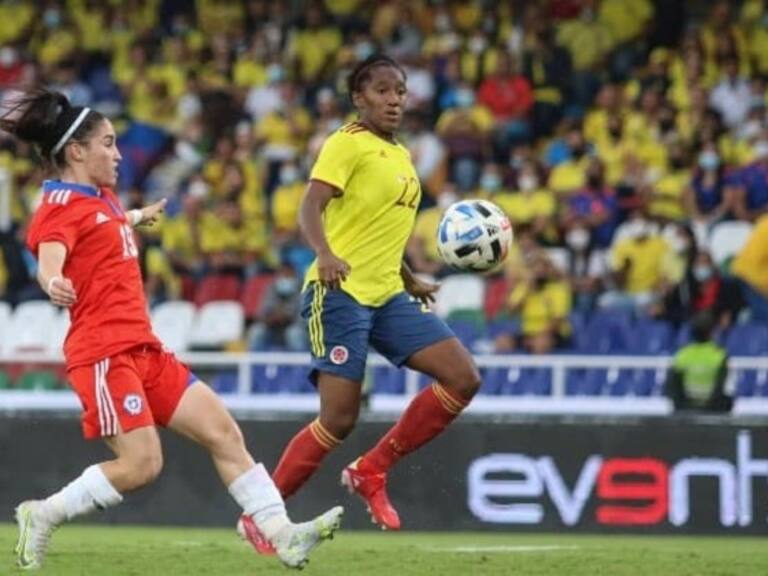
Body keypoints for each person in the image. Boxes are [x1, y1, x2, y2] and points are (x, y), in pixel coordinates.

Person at [2, 90, 342, 571]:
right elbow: (51, 258)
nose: (119, 154)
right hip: (104, 352)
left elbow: (106, 225)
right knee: (142, 465)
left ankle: (283, 535)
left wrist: (138, 217)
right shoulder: (59, 207)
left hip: (144, 347)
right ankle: (43, 514)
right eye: (108, 143)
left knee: (223, 432)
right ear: (76, 151)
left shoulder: (101, 197)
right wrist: (52, 282)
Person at [240, 54, 481, 551]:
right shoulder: (345, 143)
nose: (394, 99)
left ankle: (372, 469)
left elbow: (379, 232)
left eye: (400, 90)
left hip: (388, 293)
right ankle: (264, 517)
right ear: (359, 97)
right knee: (340, 418)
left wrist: (409, 278)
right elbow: (311, 205)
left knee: (462, 377)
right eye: (383, 90)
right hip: (340, 292)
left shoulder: (402, 156)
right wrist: (324, 254)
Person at [665, 312, 732, 412]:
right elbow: (721, 387)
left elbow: (672, 387)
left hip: (686, 408)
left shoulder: (682, 355)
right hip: (712, 409)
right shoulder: (719, 355)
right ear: (712, 332)